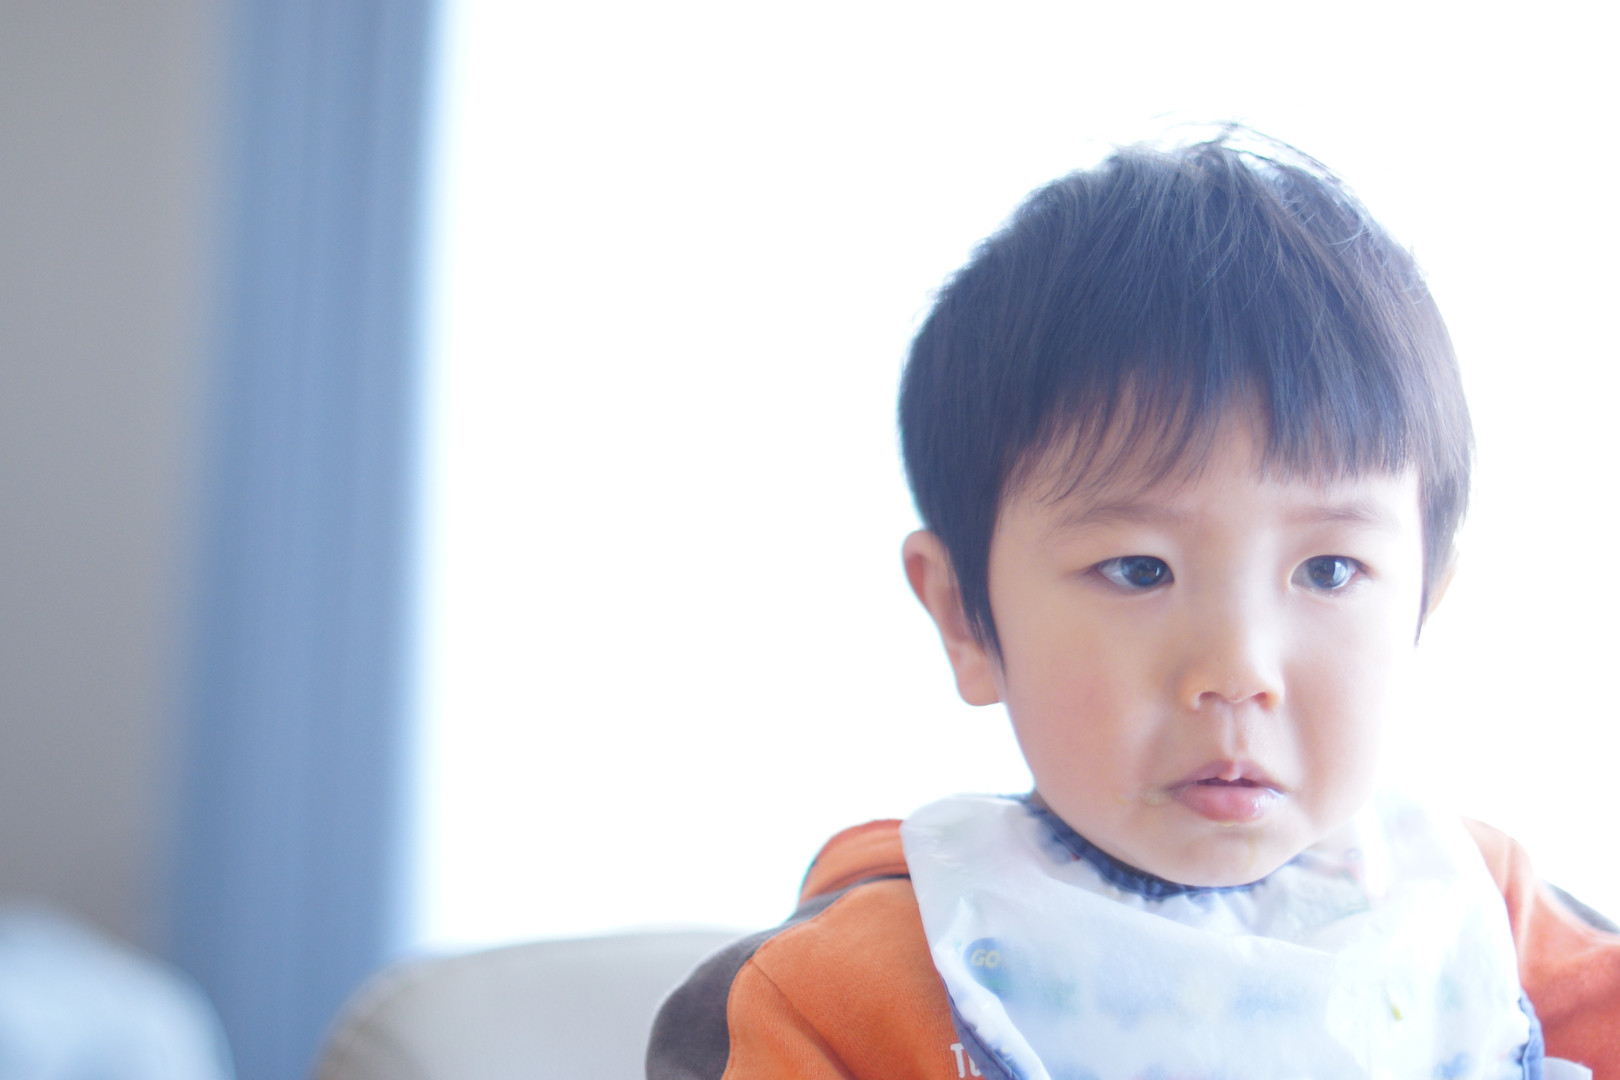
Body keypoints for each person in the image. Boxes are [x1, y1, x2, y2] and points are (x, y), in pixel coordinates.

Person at [646, 132, 1620, 1079]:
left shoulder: (1494, 922)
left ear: (1422, 612)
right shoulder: (836, 1004)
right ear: (964, 617)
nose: (1236, 669)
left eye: (1328, 571)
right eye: (1139, 570)